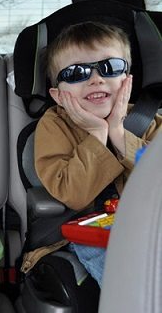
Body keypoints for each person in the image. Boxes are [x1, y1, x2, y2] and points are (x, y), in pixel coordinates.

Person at [34, 21, 161, 287]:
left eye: (110, 67)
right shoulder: (54, 125)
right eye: (76, 73)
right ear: (58, 95)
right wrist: (96, 134)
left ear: (127, 80)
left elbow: (156, 183)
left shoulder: (151, 122)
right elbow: (74, 195)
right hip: (87, 234)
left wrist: (117, 131)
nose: (95, 79)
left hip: (149, 229)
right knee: (130, 279)